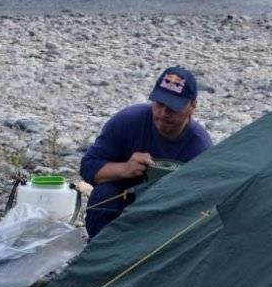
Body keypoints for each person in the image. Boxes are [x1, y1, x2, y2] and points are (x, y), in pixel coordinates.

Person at [79, 65, 213, 237]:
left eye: (173, 108)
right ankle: (99, 252)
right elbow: (88, 166)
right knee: (104, 196)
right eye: (159, 104)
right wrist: (125, 169)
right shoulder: (128, 121)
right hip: (123, 200)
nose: (163, 113)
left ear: (192, 105)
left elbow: (204, 203)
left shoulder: (199, 146)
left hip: (169, 214)